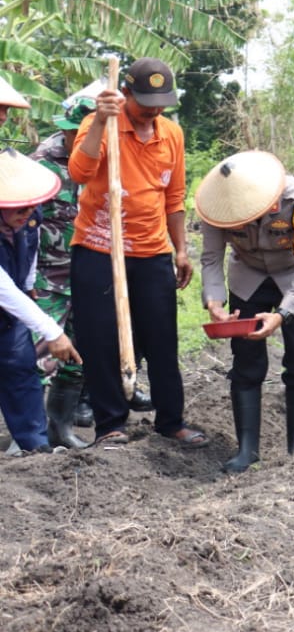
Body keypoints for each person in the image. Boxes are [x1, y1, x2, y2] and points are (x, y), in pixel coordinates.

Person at [70, 57, 206, 446]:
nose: (154, 110)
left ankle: (170, 422)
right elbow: (79, 172)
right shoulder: (101, 124)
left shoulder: (171, 135)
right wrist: (99, 121)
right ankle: (110, 425)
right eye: (146, 101)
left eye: (161, 102)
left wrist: (181, 250)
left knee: (162, 338)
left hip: (151, 251)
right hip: (99, 247)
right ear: (125, 93)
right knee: (99, 340)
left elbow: (174, 198)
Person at [196, 150, 294, 473]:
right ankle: (246, 450)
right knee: (246, 360)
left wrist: (283, 314)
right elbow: (212, 257)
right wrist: (214, 300)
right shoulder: (214, 205)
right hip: (248, 275)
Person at [0, 149, 82, 453]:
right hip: (6, 295)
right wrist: (52, 330)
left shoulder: (31, 217)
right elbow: (3, 288)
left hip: (10, 312)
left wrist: (31, 283)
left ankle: (36, 448)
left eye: (31, 206)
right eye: (18, 208)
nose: (27, 213)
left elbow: (31, 249)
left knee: (22, 371)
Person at [30, 95, 93, 447]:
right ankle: (30, 432)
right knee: (39, 354)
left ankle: (61, 429)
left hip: (87, 271)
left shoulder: (107, 160)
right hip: (46, 275)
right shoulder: (40, 164)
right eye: (72, 134)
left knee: (78, 354)